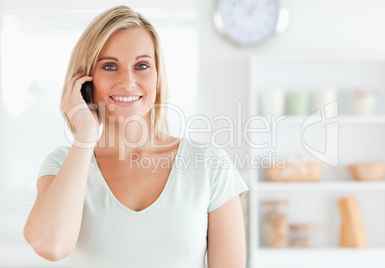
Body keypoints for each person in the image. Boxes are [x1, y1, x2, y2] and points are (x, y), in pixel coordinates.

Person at [24, 5, 248, 268]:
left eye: (141, 65)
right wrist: (85, 135)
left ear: (157, 76)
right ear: (84, 81)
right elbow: (51, 246)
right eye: (110, 66)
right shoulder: (63, 164)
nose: (128, 81)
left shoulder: (210, 164)